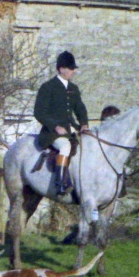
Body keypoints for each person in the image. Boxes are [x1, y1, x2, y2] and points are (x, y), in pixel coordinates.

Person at [34, 50, 89, 196]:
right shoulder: (48, 87)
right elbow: (39, 112)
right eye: (71, 69)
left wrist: (84, 123)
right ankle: (60, 183)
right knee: (65, 146)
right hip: (51, 133)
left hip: (71, 129)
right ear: (61, 69)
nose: (73, 71)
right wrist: (55, 126)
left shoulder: (73, 88)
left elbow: (80, 108)